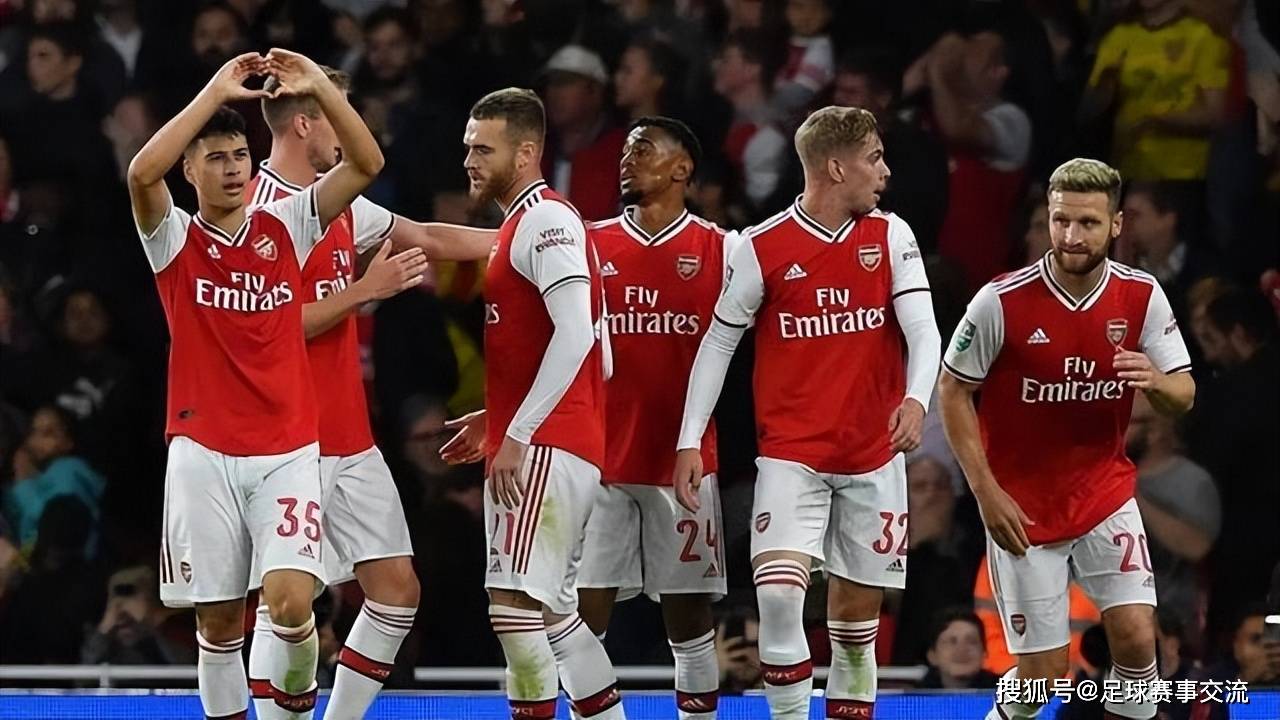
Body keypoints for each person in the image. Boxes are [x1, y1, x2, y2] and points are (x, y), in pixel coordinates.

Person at [126, 49, 384, 720]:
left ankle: (291, 705)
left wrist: (320, 85)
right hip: (202, 452)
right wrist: (215, 93)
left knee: (293, 604)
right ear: (190, 171)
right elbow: (141, 173)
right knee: (217, 625)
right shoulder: (174, 241)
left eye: (240, 155)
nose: (233, 167)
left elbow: (366, 164)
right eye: (216, 158)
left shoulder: (287, 225)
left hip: (286, 449)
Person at [674, 106, 942, 719]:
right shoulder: (760, 246)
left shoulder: (891, 235)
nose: (886, 171)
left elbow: (924, 332)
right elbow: (718, 343)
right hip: (791, 457)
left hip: (873, 456)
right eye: (874, 158)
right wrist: (690, 437)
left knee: (855, 629)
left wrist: (915, 399)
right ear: (836, 167)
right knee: (776, 598)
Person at [242, 64, 491, 720]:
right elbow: (268, 329)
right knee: (287, 604)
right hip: (287, 443)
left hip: (351, 437)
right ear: (306, 123)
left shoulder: (340, 203)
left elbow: (431, 237)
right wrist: (363, 292)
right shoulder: (257, 214)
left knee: (397, 591)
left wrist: (532, 239)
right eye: (341, 114)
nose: (352, 130)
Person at [938, 158, 1197, 720]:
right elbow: (953, 390)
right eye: (1061, 221)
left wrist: (1156, 381)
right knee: (1040, 681)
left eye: (1088, 223)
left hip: (1104, 492)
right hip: (1022, 508)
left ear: (1116, 224)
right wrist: (985, 492)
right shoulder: (999, 300)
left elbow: (1184, 392)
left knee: (1138, 641)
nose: (1072, 236)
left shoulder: (1141, 295)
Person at [439, 88, 622, 720]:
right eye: (468, 147)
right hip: (554, 438)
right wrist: (500, 418)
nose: (470, 160)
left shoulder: (545, 221)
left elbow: (578, 336)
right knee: (555, 614)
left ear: (525, 153)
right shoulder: (526, 224)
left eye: (483, 149)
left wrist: (518, 434)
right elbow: (592, 349)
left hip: (547, 444)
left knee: (514, 610)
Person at [575, 116, 731, 720]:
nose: (627, 159)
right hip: (599, 461)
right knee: (581, 615)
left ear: (682, 168)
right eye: (625, 150)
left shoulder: (723, 250)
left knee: (689, 618)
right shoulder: (588, 243)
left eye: (643, 149)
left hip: (683, 464)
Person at [917, 608, 1000, 690]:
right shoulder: (915, 696)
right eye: (952, 642)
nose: (962, 649)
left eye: (972, 642)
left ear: (984, 652)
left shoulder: (1005, 692)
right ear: (932, 656)